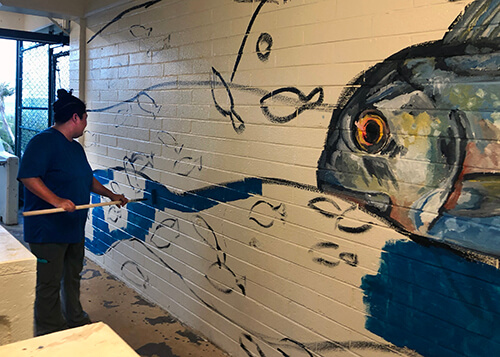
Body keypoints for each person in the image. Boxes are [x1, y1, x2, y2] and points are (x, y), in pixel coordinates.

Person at [17, 89, 128, 336]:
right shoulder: (42, 142)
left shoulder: (75, 148)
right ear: (76, 118)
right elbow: (27, 176)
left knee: (72, 276)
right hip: (48, 231)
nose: (86, 125)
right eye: (86, 119)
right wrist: (56, 200)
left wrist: (112, 196)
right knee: (49, 282)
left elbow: (87, 179)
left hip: (73, 227)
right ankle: (50, 329)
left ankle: (75, 319)